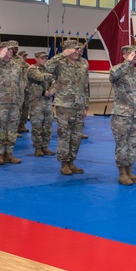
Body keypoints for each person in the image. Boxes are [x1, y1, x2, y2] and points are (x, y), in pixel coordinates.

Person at [45, 39, 89, 175]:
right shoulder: (60, 62)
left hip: (79, 105)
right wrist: (62, 54)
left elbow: (85, 85)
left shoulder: (84, 63)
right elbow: (47, 66)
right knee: (64, 135)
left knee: (76, 137)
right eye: (75, 49)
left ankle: (71, 161)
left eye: (79, 49)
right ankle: (64, 163)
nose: (78, 51)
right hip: (64, 105)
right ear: (68, 50)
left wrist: (86, 105)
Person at [108, 45, 136, 185]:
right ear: (124, 55)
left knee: (133, 145)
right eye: (131, 54)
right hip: (121, 114)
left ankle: (129, 170)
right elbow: (113, 76)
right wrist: (126, 62)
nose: (135, 56)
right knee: (122, 144)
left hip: (135, 115)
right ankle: (122, 173)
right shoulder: (117, 69)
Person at [26, 51, 55, 157]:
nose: (44, 60)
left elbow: (55, 84)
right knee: (37, 125)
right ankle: (37, 147)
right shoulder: (32, 69)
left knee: (48, 125)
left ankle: (45, 146)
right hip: (36, 101)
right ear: (36, 59)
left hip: (47, 101)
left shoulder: (47, 70)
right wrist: (54, 75)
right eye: (42, 58)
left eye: (45, 58)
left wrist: (51, 92)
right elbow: (39, 77)